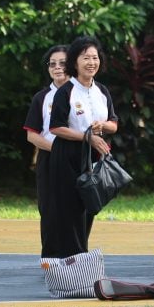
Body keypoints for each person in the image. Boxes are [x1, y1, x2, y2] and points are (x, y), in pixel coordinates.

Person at [45, 36, 119, 258]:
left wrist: (103, 126)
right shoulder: (66, 91)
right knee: (69, 210)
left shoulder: (102, 91)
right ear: (74, 62)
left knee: (89, 207)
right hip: (67, 156)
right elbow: (56, 128)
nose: (91, 63)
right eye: (85, 57)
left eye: (95, 58)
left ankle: (80, 256)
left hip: (94, 156)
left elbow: (114, 124)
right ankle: (70, 259)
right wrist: (87, 137)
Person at [23, 44, 69, 257]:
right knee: (50, 212)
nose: (57, 68)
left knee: (77, 212)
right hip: (50, 162)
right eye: (52, 64)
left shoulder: (86, 94)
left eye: (62, 63)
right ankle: (50, 262)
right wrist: (60, 150)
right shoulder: (42, 98)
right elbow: (32, 135)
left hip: (80, 163)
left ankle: (76, 260)